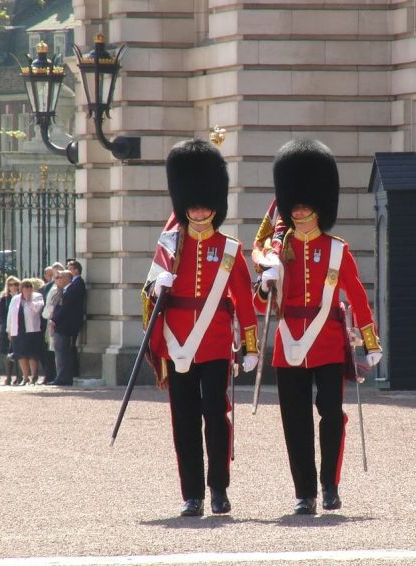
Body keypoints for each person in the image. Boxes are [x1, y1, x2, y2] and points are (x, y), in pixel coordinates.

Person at [254, 138, 383, 515]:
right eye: (294, 203)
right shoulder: (277, 251)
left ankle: (330, 484)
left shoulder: (336, 249)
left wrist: (370, 341)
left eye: (305, 203)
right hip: (289, 342)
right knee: (295, 422)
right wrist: (265, 282)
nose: (299, 209)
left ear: (319, 205)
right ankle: (304, 492)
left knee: (330, 413)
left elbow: (356, 295)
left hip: (326, 342)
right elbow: (260, 305)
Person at [142, 139, 259, 517]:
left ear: (215, 205)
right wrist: (156, 285)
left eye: (204, 204)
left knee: (215, 416)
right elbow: (150, 291)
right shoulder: (170, 246)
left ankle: (218, 488)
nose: (198, 209)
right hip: (177, 342)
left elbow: (244, 301)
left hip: (215, 342)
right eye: (191, 204)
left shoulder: (229, 249)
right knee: (184, 421)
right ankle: (191, 494)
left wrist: (251, 345)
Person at [49, 259, 85, 385]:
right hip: (61, 325)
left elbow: (65, 308)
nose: (57, 279)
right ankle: (62, 376)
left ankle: (63, 377)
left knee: (62, 352)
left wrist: (54, 320)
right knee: (60, 352)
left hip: (65, 326)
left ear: (67, 279)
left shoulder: (72, 289)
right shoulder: (65, 290)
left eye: (60, 277)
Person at [7, 279, 45, 386]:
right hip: (17, 330)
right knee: (20, 355)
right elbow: (10, 315)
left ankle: (34, 377)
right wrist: (9, 330)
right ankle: (25, 377)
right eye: (25, 286)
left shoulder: (37, 296)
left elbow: (37, 309)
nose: (27, 288)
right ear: (21, 288)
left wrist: (29, 299)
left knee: (32, 354)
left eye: (29, 286)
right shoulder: (15, 298)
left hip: (32, 330)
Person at [38, 262, 64, 383]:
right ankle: (49, 374)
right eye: (54, 274)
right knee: (49, 349)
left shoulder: (62, 287)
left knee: (58, 350)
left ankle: (57, 375)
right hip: (48, 320)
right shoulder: (48, 287)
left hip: (57, 320)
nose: (55, 277)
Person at [0, 276, 21, 385]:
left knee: (18, 353)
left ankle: (19, 376)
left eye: (16, 284)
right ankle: (8, 376)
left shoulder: (21, 296)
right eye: (10, 285)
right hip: (7, 328)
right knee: (6, 353)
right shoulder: (4, 298)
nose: (13, 287)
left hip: (19, 328)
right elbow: (2, 315)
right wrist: (7, 329)